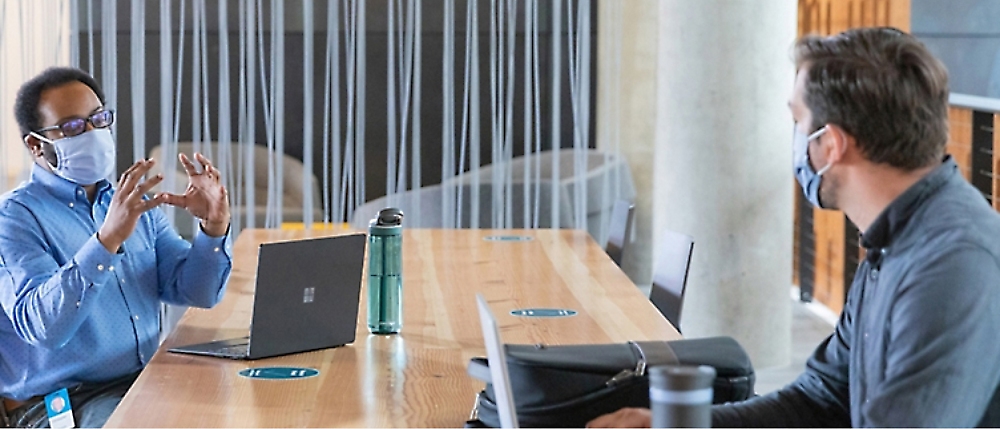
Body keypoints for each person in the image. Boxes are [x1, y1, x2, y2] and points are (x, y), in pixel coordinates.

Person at [589, 27, 1000, 427]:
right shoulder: (894, 240)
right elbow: (821, 399)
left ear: (831, 144)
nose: (796, 138)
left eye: (798, 121)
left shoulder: (954, 264)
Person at [0, 67, 233, 428]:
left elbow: (195, 291)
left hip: (143, 382)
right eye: (73, 127)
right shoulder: (13, 219)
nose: (92, 133)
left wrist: (213, 228)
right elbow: (43, 327)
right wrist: (106, 241)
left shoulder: (128, 202)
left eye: (98, 119)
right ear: (36, 145)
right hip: (57, 405)